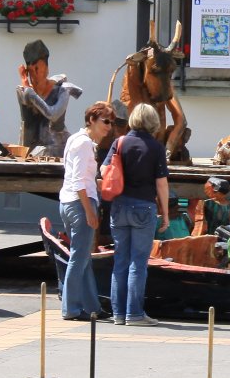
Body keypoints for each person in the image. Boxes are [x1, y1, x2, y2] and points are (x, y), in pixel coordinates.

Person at [102, 103, 170, 325]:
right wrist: (166, 213)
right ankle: (134, 314)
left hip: (119, 206)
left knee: (120, 260)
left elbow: (104, 170)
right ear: (153, 122)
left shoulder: (119, 142)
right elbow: (161, 184)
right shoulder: (156, 147)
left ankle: (118, 314)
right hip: (143, 207)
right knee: (138, 262)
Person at [57, 101, 112, 320]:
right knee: (79, 258)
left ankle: (92, 306)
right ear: (92, 120)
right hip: (79, 204)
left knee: (83, 258)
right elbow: (79, 181)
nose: (109, 126)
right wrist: (90, 212)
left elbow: (74, 174)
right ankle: (71, 308)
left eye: (111, 122)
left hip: (69, 202)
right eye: (105, 121)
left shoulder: (76, 139)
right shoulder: (84, 143)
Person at [15, 39, 83, 153]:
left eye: (38, 68)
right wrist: (25, 85)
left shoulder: (63, 89)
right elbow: (27, 124)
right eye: (32, 70)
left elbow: (54, 115)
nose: (35, 74)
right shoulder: (25, 91)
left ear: (47, 69)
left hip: (58, 148)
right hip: (35, 152)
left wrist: (30, 93)